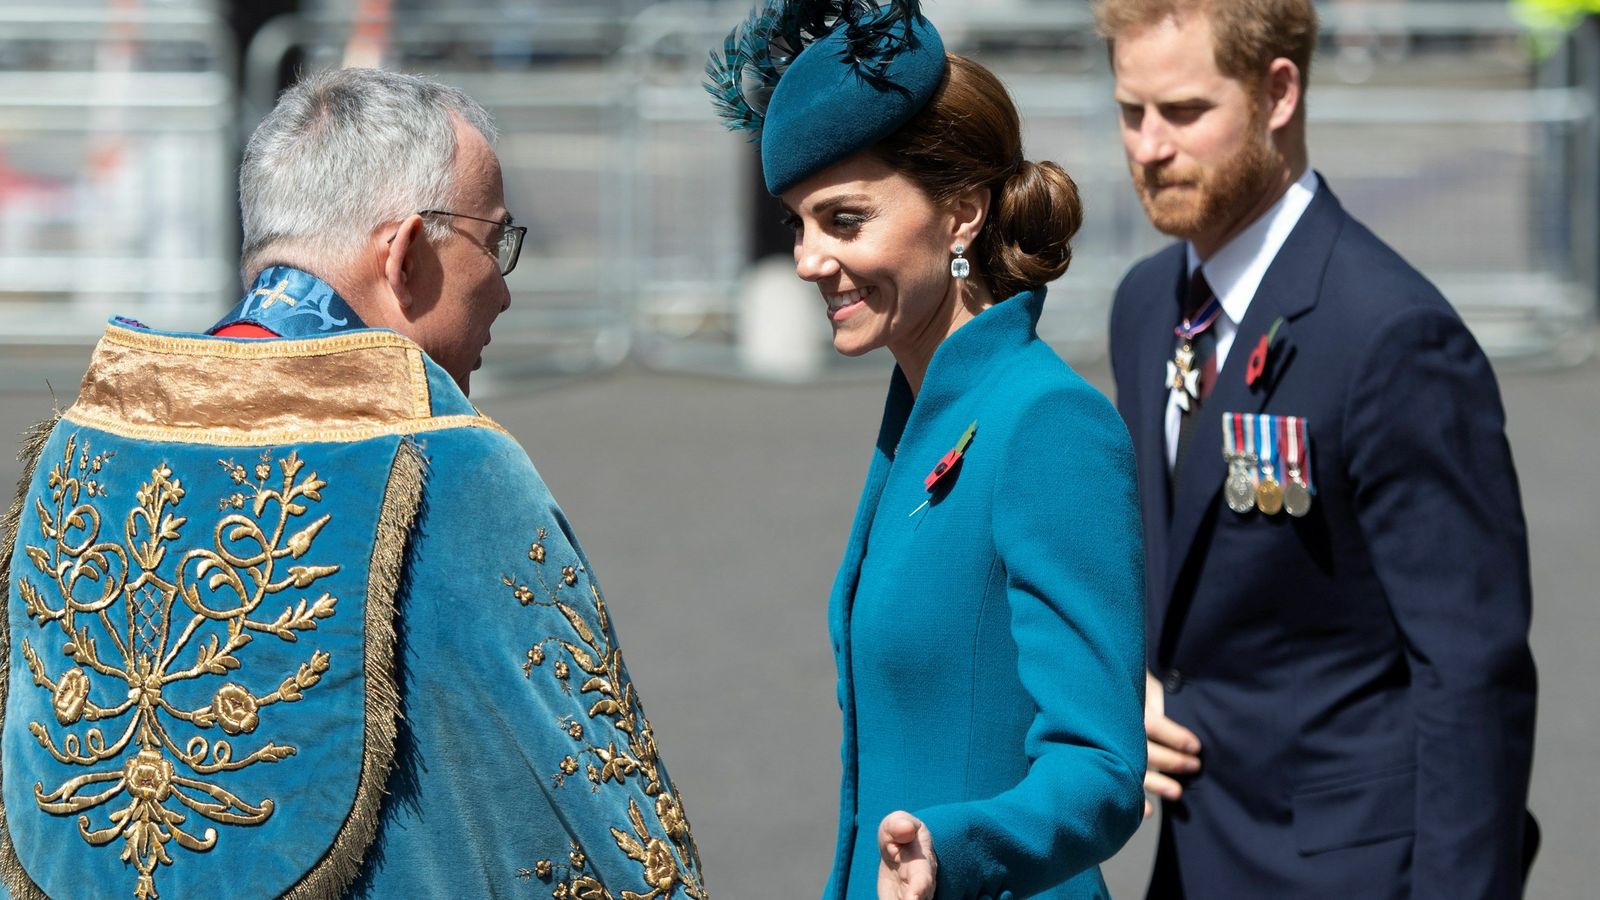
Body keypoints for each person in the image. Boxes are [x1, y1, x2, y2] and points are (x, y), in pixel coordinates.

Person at [0, 68, 705, 899]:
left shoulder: (80, 446)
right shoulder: (454, 465)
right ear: (404, 253)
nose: (505, 289)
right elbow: (595, 811)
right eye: (495, 243)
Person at [1094, 0, 1539, 896]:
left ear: (1279, 92)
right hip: (1195, 858)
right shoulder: (1146, 305)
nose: (1149, 146)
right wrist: (1125, 688)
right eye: (1131, 112)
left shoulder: (1391, 335)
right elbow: (1177, 574)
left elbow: (1471, 676)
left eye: (1184, 111)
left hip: (1356, 872)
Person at [708, 3, 1146, 897]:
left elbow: (1102, 765)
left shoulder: (1047, 421)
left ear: (961, 215)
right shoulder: (926, 407)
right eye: (798, 225)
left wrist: (955, 847)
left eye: (844, 220)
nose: (808, 259)